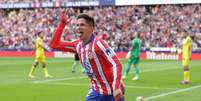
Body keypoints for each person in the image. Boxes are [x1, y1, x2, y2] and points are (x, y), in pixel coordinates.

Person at [50, 11, 125, 101]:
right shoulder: (77, 45)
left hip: (112, 93)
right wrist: (62, 23)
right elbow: (54, 44)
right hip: (96, 93)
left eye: (82, 25)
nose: (78, 28)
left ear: (91, 28)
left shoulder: (98, 44)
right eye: (77, 25)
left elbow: (116, 64)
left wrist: (116, 86)